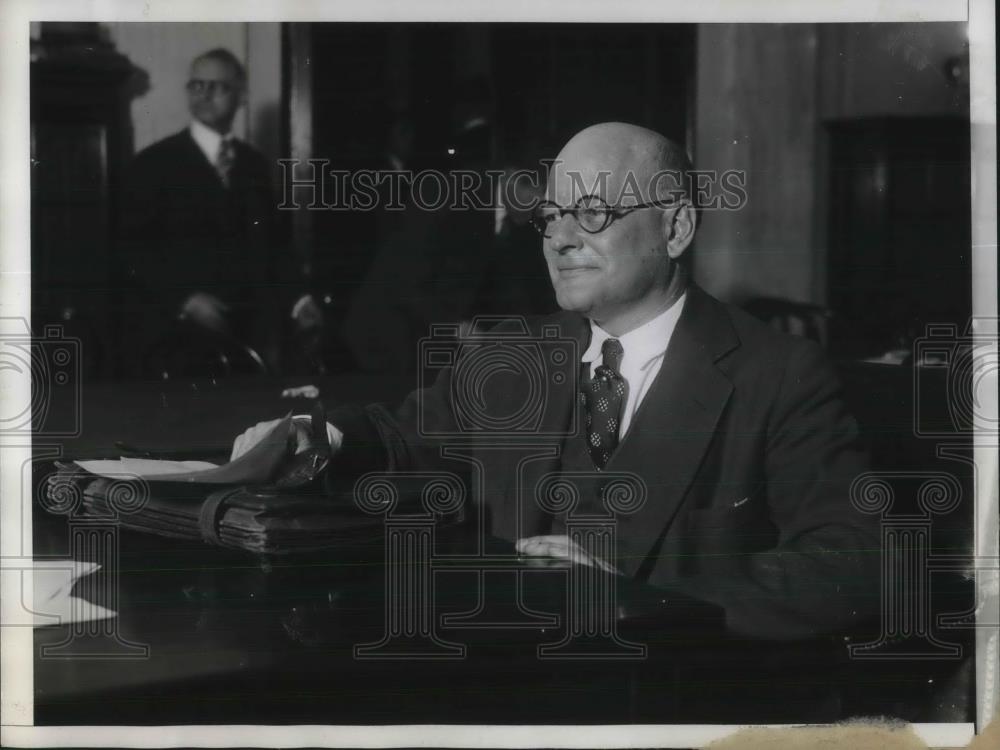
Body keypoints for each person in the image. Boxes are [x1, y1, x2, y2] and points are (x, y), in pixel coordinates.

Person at [232, 122, 879, 640]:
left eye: (592, 213)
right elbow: (401, 435)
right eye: (550, 216)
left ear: (676, 228)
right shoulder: (517, 354)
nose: (560, 239)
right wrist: (314, 436)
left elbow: (857, 562)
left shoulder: (779, 374)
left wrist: (646, 588)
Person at [117, 48, 282, 373]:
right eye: (197, 85)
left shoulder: (254, 165)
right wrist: (185, 300)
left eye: (217, 86)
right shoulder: (153, 163)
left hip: (246, 336)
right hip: (174, 338)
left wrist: (299, 302)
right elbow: (129, 251)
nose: (204, 95)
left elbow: (272, 247)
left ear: (240, 95)